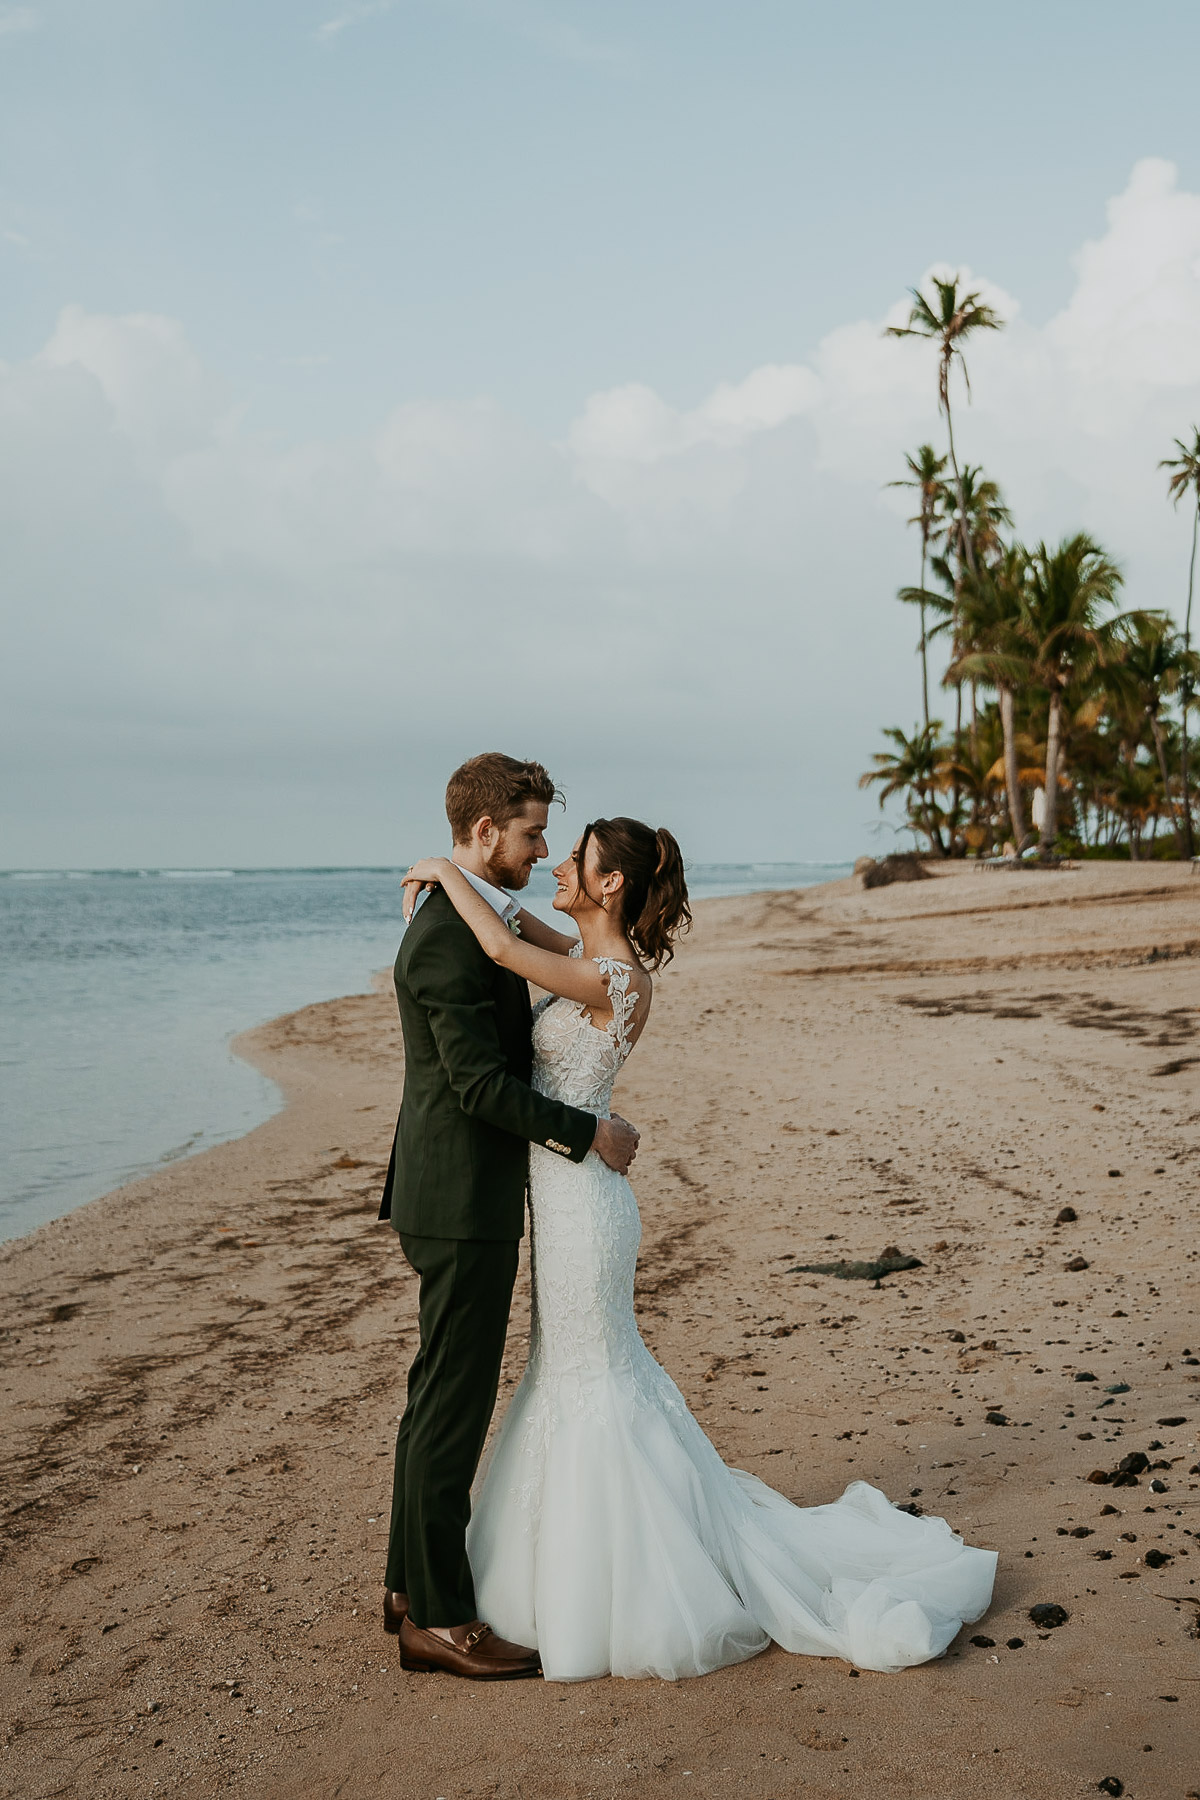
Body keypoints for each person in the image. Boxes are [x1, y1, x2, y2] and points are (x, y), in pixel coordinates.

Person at [399, 816, 997, 1682]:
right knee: (564, 1369)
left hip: (586, 1203)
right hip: (562, 1199)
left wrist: (442, 871)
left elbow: (495, 945)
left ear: (610, 885)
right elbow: (518, 926)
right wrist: (469, 878)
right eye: (553, 849)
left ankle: (619, 1577)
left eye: (577, 858)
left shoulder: (617, 979)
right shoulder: (580, 948)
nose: (558, 862)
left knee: (595, 1374)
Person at [378, 754, 640, 1682]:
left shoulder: (462, 913)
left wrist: (447, 873)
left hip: (460, 1192)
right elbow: (481, 1086)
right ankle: (441, 1620)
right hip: (460, 1199)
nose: (540, 851)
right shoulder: (449, 934)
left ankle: (412, 1585)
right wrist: (588, 1134)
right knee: (450, 1404)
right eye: (530, 834)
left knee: (434, 1395)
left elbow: (531, 949)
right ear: (484, 829)